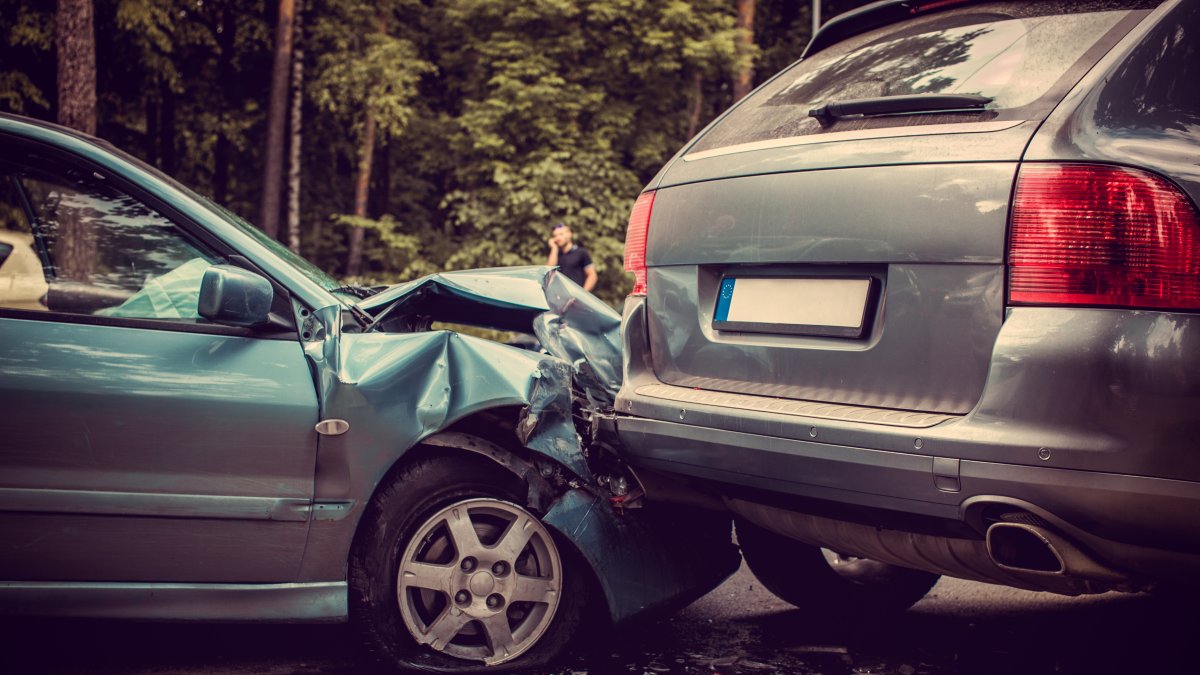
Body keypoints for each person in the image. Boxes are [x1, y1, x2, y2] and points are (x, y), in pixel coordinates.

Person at [546, 222, 597, 292]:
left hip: (575, 298)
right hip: (557, 298)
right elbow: (548, 272)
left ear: (569, 234)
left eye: (561, 234)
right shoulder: (554, 254)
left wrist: (582, 294)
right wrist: (554, 248)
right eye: (555, 236)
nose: (557, 238)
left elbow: (592, 275)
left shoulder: (581, 252)